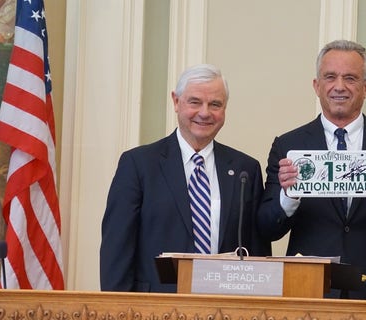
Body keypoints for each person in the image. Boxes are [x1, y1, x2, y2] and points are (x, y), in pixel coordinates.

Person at [257, 40, 366, 301]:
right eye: (330, 77)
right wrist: (289, 197)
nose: (339, 86)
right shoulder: (288, 146)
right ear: (317, 86)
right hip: (308, 290)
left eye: (350, 78)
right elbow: (266, 227)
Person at [100, 64, 271, 292]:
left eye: (215, 104)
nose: (204, 112)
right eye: (195, 102)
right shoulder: (138, 165)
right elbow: (117, 249)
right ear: (176, 101)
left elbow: (257, 252)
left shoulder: (245, 170)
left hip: (225, 307)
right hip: (155, 309)